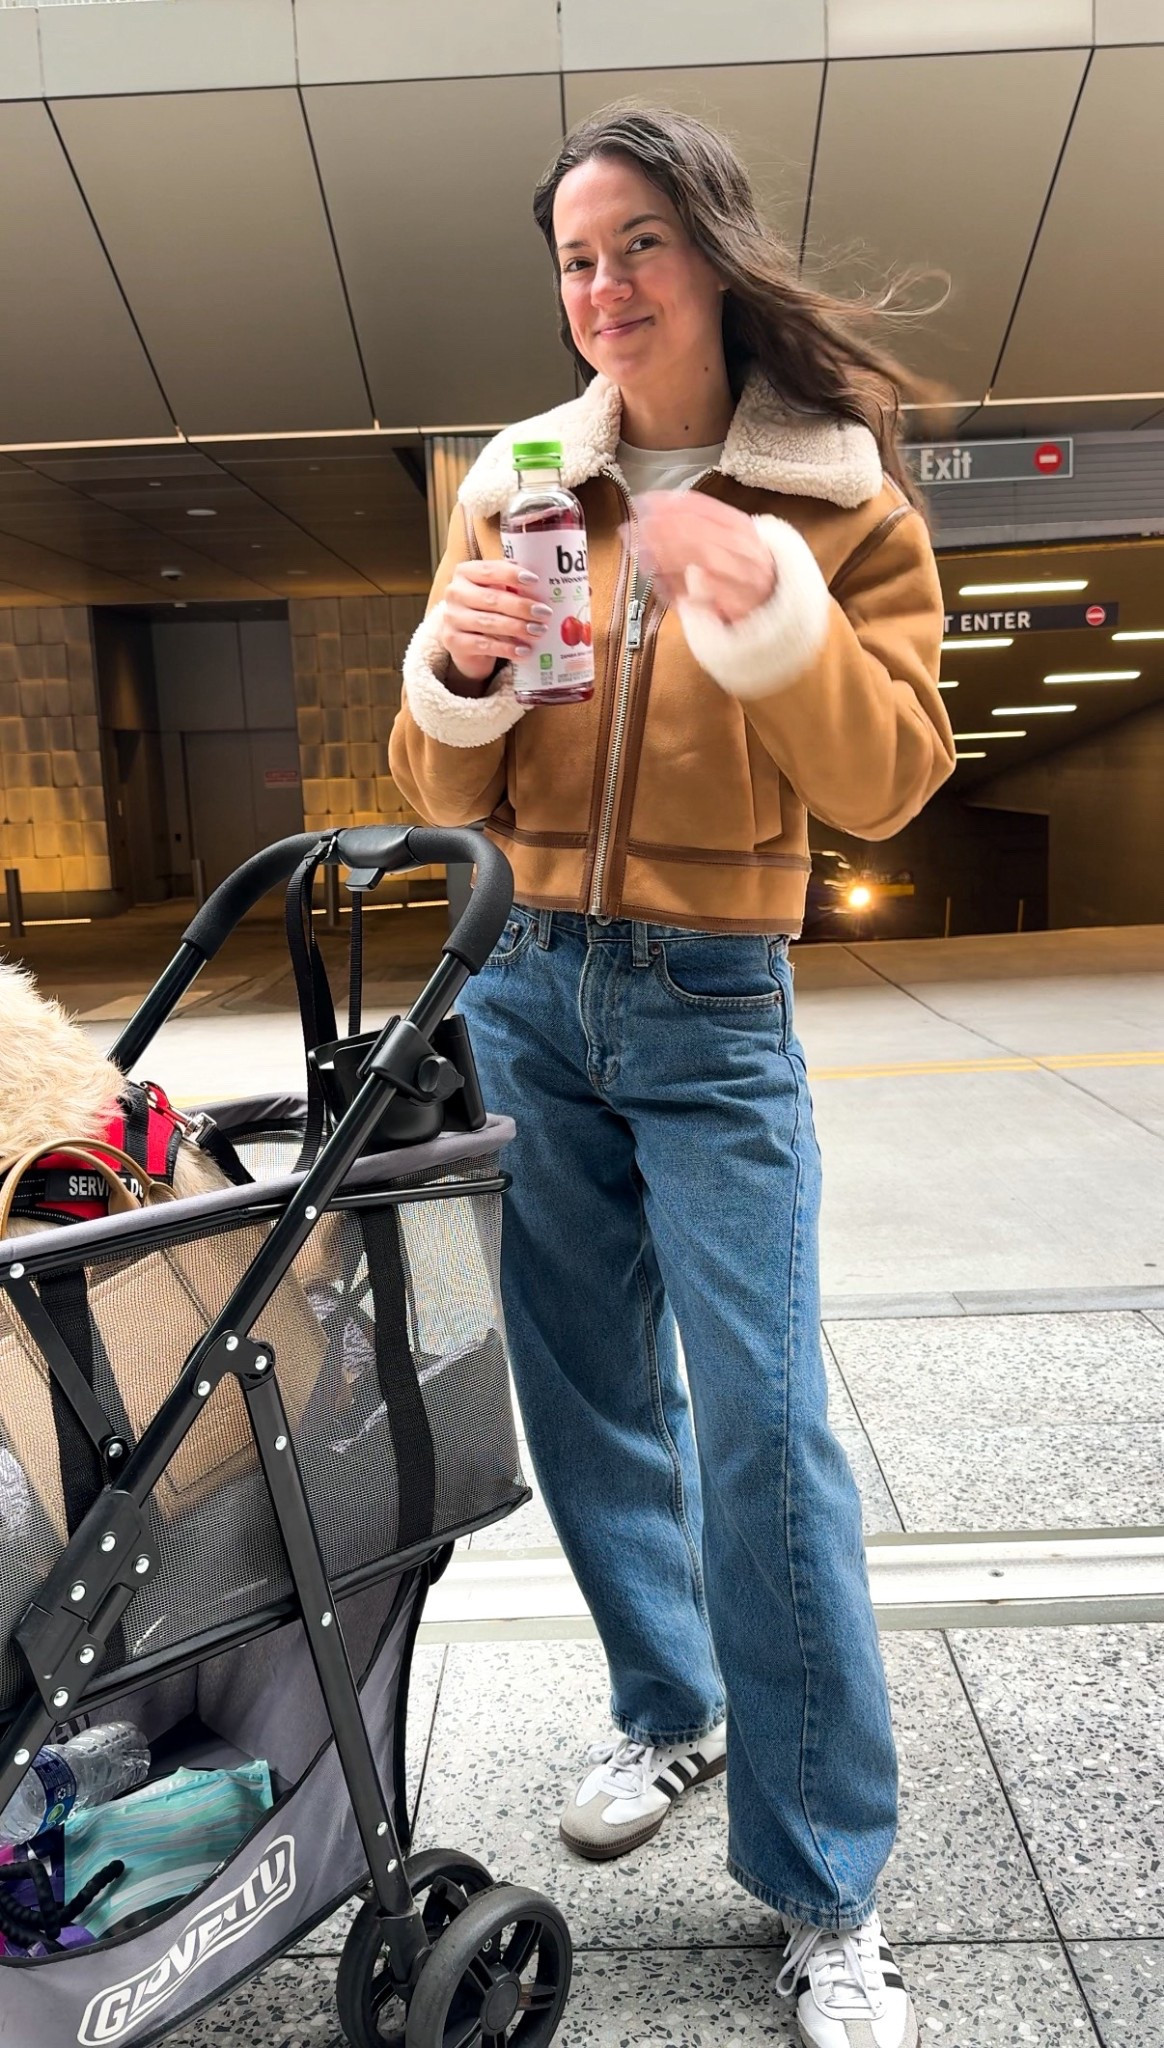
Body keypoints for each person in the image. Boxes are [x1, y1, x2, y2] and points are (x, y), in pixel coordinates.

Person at [390, 104, 953, 2048]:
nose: (602, 286)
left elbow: (891, 775)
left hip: (714, 1002)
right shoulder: (520, 479)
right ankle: (671, 1705)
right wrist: (456, 674)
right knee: (581, 1391)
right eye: (574, 257)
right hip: (526, 986)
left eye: (636, 243)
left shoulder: (836, 492)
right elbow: (437, 784)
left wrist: (770, 610)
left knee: (765, 1429)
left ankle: (828, 1888)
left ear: (711, 251)